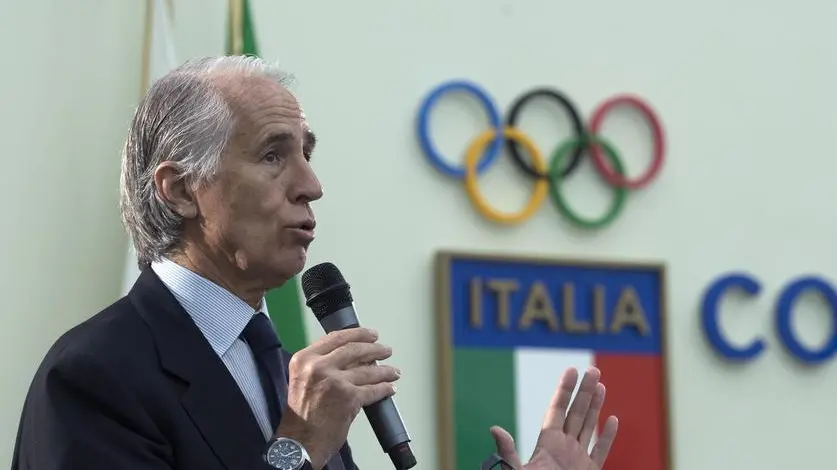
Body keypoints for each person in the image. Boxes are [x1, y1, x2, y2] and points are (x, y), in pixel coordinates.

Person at [10, 56, 618, 470]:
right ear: (179, 189)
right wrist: (297, 448)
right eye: (274, 156)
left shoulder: (281, 364)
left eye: (307, 152)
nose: (312, 184)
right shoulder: (92, 376)